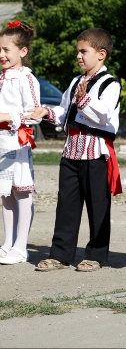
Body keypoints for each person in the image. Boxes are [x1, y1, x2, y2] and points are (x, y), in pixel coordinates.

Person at [31, 28, 122, 272]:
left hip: (95, 152)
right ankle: (61, 254)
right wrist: (46, 112)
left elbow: (103, 116)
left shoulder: (110, 84)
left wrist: (84, 100)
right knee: (66, 204)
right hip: (71, 151)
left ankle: (96, 254)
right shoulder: (75, 82)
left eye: (84, 51)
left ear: (101, 54)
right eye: (77, 52)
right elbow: (64, 112)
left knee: (97, 205)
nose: (79, 56)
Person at [0, 20, 41, 265]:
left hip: (17, 140)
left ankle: (21, 246)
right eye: (0, 49)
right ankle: (8, 242)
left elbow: (35, 114)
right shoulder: (1, 78)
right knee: (5, 194)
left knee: (21, 193)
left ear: (22, 51)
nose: (1, 55)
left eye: (6, 50)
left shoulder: (26, 78)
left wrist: (8, 117)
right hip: (0, 143)